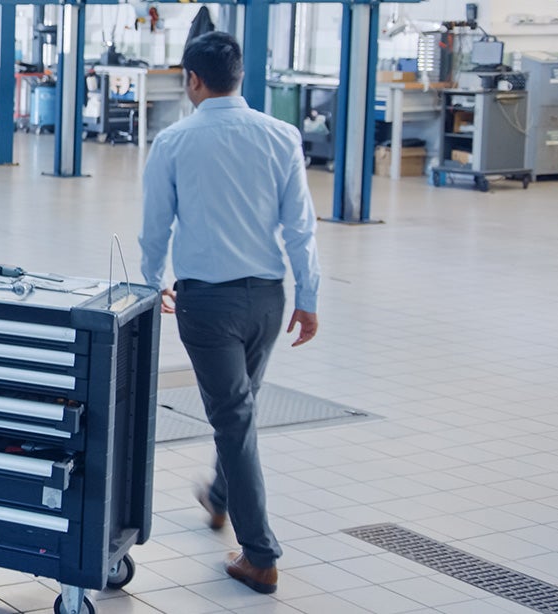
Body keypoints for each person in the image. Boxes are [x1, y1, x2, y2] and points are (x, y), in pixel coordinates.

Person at [138, 31, 320, 596]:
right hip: (268, 300)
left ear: (193, 80)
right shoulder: (281, 135)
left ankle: (260, 555)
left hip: (207, 304)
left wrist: (148, 287)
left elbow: (154, 228)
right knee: (237, 409)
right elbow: (300, 227)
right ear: (239, 76)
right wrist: (308, 297)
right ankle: (220, 496)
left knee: (234, 416)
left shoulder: (173, 142)